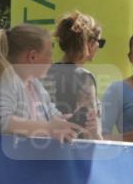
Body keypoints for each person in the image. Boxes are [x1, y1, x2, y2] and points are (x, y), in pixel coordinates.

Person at [0, 24, 84, 141]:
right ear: (32, 57)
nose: (51, 61)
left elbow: (52, 117)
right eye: (49, 55)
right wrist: (48, 128)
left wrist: (72, 122)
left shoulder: (35, 85)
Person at [43, 11, 104, 139]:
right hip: (72, 150)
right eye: (100, 42)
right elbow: (90, 131)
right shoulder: (84, 77)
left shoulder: (43, 71)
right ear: (90, 42)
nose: (99, 46)